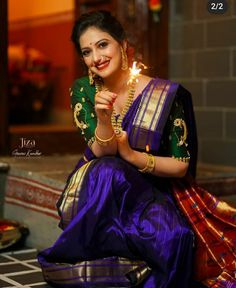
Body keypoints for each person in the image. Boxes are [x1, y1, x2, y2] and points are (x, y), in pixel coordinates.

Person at [38, 10, 236, 288]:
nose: (96, 58)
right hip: (100, 188)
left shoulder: (165, 95)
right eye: (86, 51)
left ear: (122, 44)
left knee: (175, 239)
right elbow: (102, 153)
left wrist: (131, 155)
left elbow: (180, 164)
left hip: (153, 189)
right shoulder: (83, 90)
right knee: (110, 169)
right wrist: (104, 118)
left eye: (102, 44)